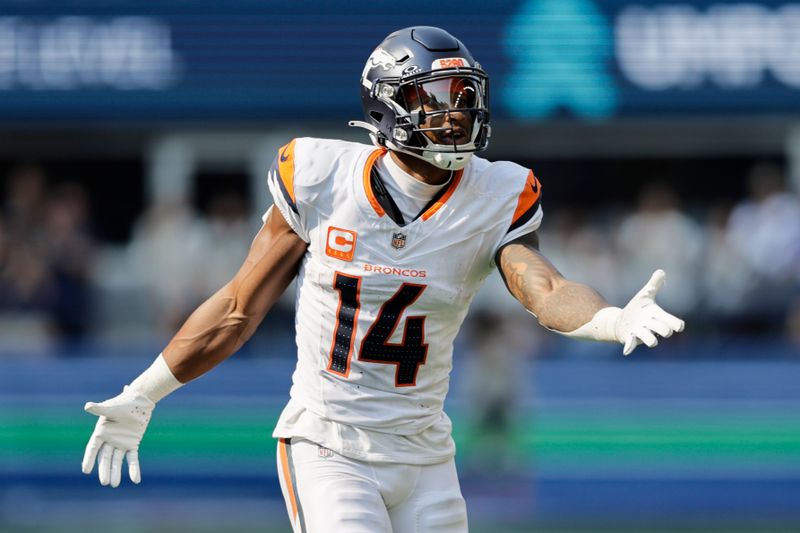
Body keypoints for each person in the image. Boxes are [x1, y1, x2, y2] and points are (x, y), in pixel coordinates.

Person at [81, 27, 685, 533]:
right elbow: (239, 307)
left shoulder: (495, 194)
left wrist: (611, 319)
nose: (459, 111)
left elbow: (543, 288)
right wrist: (144, 392)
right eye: (439, 96)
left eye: (465, 95)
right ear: (388, 105)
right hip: (328, 444)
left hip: (426, 454)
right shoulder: (321, 177)